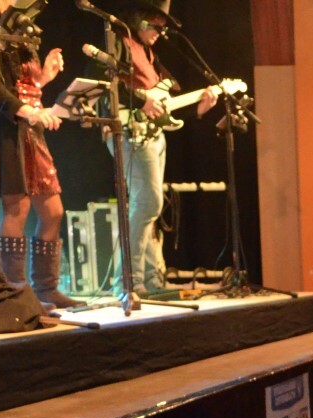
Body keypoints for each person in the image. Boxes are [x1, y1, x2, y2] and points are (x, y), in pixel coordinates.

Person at [102, 0, 221, 294]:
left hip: (153, 133)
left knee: (149, 208)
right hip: (130, 131)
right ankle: (127, 282)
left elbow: (164, 105)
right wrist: (142, 99)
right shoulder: (119, 41)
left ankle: (151, 281)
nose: (161, 32)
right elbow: (106, 83)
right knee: (148, 203)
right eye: (157, 25)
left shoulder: (149, 54)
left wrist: (198, 109)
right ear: (140, 19)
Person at [0, 0, 74, 309]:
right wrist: (29, 111)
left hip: (31, 126)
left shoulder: (21, 28)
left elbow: (26, 83)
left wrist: (44, 77)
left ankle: (45, 288)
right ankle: (16, 293)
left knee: (53, 211)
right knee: (17, 208)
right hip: (6, 127)